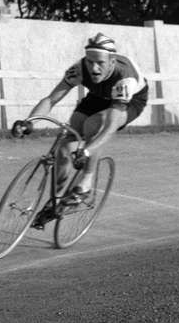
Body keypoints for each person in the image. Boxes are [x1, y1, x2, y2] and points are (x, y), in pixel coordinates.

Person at [12, 32, 149, 203]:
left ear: (112, 62)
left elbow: (109, 128)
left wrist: (86, 152)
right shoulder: (79, 69)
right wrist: (29, 122)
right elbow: (51, 99)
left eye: (100, 63)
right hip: (98, 96)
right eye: (90, 62)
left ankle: (86, 185)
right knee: (65, 147)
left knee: (93, 126)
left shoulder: (124, 79)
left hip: (130, 101)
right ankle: (56, 201)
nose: (94, 68)